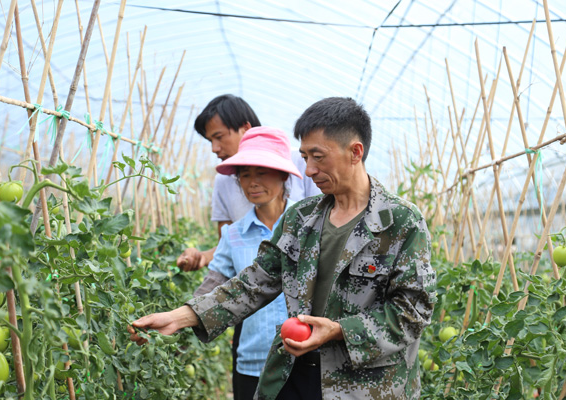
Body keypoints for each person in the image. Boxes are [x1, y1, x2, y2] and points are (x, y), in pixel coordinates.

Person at [129, 97, 437, 399]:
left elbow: (412, 312)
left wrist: (338, 330)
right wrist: (180, 317)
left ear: (355, 152)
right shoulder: (301, 219)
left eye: (318, 157)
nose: (309, 169)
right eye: (304, 157)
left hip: (366, 386)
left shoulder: (400, 223)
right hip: (295, 375)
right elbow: (254, 283)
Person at [193, 126, 301, 400]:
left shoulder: (310, 226)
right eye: (245, 174)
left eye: (261, 172)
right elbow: (213, 286)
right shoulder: (234, 234)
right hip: (253, 362)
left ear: (283, 174)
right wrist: (176, 321)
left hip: (304, 360)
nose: (252, 182)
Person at [177, 94, 319, 271]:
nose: (214, 148)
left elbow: (322, 227)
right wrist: (202, 256)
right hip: (251, 282)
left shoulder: (299, 161)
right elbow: (229, 246)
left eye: (219, 137)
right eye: (210, 141)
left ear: (245, 129)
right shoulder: (223, 179)